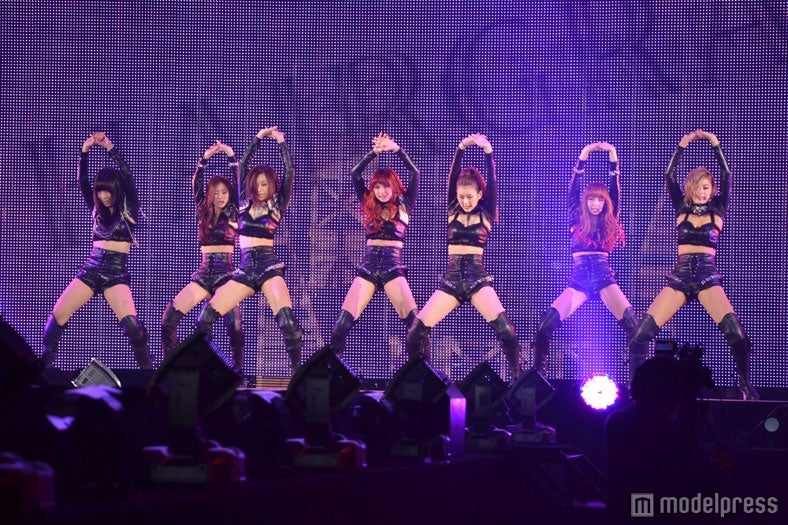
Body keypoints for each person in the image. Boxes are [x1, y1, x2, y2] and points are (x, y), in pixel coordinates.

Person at [628, 129, 758, 400]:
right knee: (640, 336)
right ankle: (636, 390)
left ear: (713, 190)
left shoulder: (718, 208)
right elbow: (669, 175)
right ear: (690, 188)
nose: (701, 192)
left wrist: (715, 143)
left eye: (706, 187)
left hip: (707, 276)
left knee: (737, 335)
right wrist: (682, 145)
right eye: (697, 187)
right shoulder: (681, 207)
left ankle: (746, 386)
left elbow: (727, 174)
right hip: (680, 276)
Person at [406, 133, 520, 378]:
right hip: (452, 279)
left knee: (507, 332)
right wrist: (461, 147)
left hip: (477, 278)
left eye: (470, 196)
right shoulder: (452, 208)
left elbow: (493, 181)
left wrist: (488, 152)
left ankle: (518, 381)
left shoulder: (487, 211)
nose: (465, 201)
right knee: (415, 334)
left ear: (480, 194)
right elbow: (452, 177)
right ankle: (423, 379)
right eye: (461, 197)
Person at [194, 126, 302, 374]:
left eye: (265, 184)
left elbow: (289, 171)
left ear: (272, 186)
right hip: (244, 270)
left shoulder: (278, 204)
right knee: (204, 320)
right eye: (257, 184)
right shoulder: (242, 202)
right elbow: (243, 165)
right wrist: (258, 138)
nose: (261, 188)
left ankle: (298, 373)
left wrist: (280, 142)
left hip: (268, 266)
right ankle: (227, 371)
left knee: (287, 322)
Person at [530, 142, 641, 379]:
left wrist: (613, 157)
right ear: (585, 201)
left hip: (604, 278)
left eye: (600, 200)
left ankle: (639, 383)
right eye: (591, 199)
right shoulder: (576, 217)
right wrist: (583, 157)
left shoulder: (610, 218)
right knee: (544, 327)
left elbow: (615, 187)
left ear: (605, 203)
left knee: (636, 329)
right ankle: (538, 381)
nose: (595, 204)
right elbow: (573, 189)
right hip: (579, 280)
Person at [42, 132, 151, 369]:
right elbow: (82, 181)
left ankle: (148, 374)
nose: (104, 195)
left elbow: (128, 175)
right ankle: (42, 369)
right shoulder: (95, 208)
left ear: (116, 190)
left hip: (115, 272)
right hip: (91, 269)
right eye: (100, 191)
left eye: (108, 191)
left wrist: (110, 147)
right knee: (57, 316)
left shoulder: (129, 208)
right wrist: (85, 150)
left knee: (132, 326)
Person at [329, 133, 420, 355]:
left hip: (392, 266)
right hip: (369, 266)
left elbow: (415, 173)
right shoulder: (368, 203)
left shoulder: (405, 202)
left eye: (386, 187)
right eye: (377, 187)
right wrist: (374, 153)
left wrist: (396, 149)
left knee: (416, 327)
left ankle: (419, 371)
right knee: (341, 325)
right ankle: (333, 369)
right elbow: (355, 173)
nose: (381, 192)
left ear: (394, 186)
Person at [161, 141, 244, 370]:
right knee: (168, 319)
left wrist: (230, 156)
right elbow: (196, 182)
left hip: (226, 277)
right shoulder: (202, 210)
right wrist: (205, 158)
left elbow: (239, 184)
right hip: (204, 274)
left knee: (236, 328)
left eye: (224, 192)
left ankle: (236, 372)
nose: (220, 196)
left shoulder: (234, 211)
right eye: (215, 192)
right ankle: (172, 368)